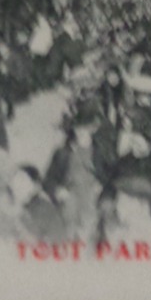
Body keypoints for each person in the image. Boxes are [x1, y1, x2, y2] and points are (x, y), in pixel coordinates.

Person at [42, 101, 107, 242]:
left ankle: (87, 243)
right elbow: (48, 180)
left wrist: (101, 185)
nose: (81, 133)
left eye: (86, 128)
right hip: (70, 194)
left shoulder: (100, 152)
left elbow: (111, 176)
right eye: (78, 128)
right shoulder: (63, 152)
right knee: (68, 219)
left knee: (90, 221)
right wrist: (57, 190)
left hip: (91, 195)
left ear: (93, 129)